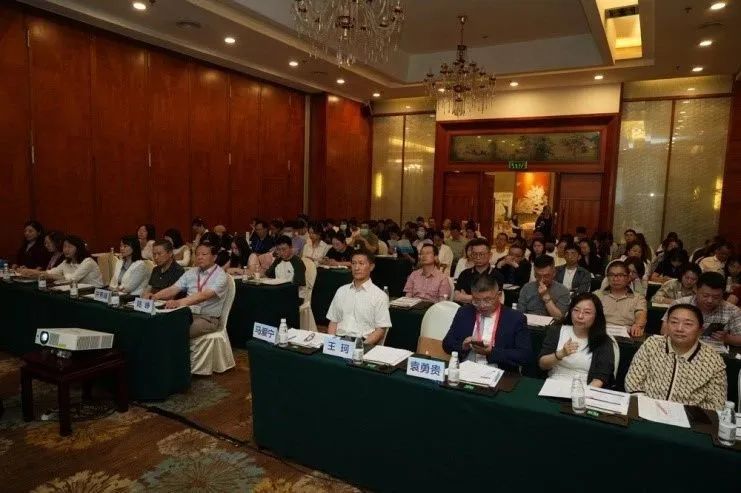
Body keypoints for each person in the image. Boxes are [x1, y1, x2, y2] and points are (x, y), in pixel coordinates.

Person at [625, 304, 726, 410]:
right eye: (674, 322)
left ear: (700, 329)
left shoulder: (713, 359)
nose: (679, 328)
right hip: (646, 409)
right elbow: (633, 382)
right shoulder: (652, 344)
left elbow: (717, 403)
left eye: (688, 324)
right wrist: (648, 407)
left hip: (690, 417)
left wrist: (685, 413)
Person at [443, 276, 532, 371]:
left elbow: (525, 355)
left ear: (499, 295)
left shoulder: (515, 318)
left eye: (487, 300)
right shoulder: (464, 312)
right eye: (476, 301)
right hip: (466, 369)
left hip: (499, 373)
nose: (482, 305)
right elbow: (446, 344)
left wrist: (492, 351)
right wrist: (462, 346)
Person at [152, 243, 229, 338]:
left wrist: (178, 302)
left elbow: (203, 296)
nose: (200, 257)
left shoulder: (220, 276)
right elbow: (173, 288)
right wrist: (155, 296)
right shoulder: (191, 272)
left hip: (207, 318)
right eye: (197, 254)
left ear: (214, 257)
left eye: (204, 254)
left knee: (178, 329)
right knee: (160, 323)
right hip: (187, 314)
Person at [538, 293, 615, 387]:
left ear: (596, 316)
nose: (580, 316)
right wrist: (561, 354)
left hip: (585, 388)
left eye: (587, 312)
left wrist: (582, 394)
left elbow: (600, 378)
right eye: (576, 310)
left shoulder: (604, 341)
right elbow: (542, 365)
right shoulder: (557, 331)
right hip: (554, 384)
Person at [326, 250, 391, 346]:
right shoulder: (341, 290)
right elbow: (333, 321)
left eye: (361, 263)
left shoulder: (379, 295)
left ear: (371, 267)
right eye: (354, 263)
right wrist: (331, 342)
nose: (356, 268)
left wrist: (360, 347)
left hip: (363, 342)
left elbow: (380, 329)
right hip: (338, 341)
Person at [660, 272, 741, 346]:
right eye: (705, 295)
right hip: (683, 347)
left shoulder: (732, 310)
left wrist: (727, 338)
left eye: (716, 297)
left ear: (723, 294)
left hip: (716, 352)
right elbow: (664, 331)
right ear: (696, 290)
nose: (709, 300)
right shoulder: (680, 304)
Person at [26, 235, 104, 287]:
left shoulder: (88, 262)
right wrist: (31, 272)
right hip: (78, 292)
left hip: (94, 293)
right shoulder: (66, 262)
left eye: (69, 247)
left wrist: (54, 276)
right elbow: (51, 272)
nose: (66, 250)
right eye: (64, 247)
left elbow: (72, 280)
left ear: (78, 248)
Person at [595, 261, 647, 337]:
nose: (615, 279)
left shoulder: (638, 298)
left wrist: (638, 325)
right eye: (611, 275)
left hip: (626, 336)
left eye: (620, 275)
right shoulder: (597, 295)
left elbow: (640, 314)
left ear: (628, 277)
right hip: (600, 335)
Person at [455, 238, 503, 303]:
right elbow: (457, 296)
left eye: (481, 254)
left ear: (490, 255)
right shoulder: (464, 274)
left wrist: (466, 297)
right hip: (466, 308)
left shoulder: (497, 275)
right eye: (475, 254)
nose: (478, 257)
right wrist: (482, 298)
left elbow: (494, 299)